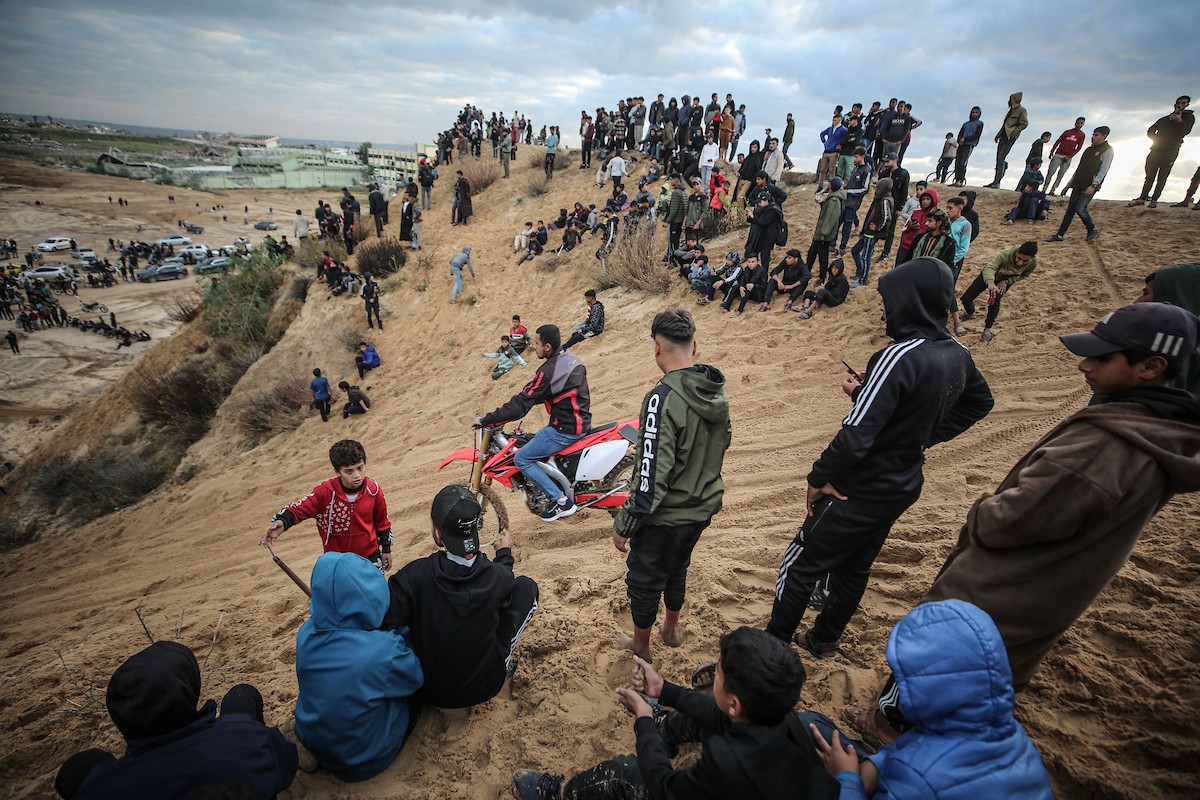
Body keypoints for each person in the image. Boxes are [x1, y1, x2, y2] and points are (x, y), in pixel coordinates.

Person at [766, 257, 994, 656]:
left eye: (888, 299)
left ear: (910, 300)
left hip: (859, 486)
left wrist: (818, 477)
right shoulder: (955, 351)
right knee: (854, 567)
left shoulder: (898, 355)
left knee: (800, 564)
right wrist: (918, 437)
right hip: (902, 482)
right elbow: (979, 402)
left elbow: (855, 436)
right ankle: (823, 639)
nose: (883, 308)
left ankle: (770, 650)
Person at [513, 627, 838, 800]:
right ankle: (664, 727)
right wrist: (663, 691)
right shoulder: (782, 716)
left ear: (736, 703)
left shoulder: (726, 762)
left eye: (720, 673)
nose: (713, 676)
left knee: (626, 773)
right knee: (705, 713)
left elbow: (664, 785)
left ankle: (560, 794)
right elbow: (716, 711)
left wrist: (643, 722)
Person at [819, 601, 1053, 799]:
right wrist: (879, 763)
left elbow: (920, 770)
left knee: (810, 729)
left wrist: (847, 778)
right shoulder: (1015, 739)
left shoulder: (916, 774)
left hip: (914, 780)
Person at [611, 308, 731, 663]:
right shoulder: (716, 391)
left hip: (666, 516)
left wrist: (625, 524)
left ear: (656, 348)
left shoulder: (660, 398)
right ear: (694, 346)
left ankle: (641, 647)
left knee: (644, 580)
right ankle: (671, 628)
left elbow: (649, 475)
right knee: (678, 566)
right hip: (703, 507)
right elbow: (720, 445)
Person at [54, 642, 297, 800]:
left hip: (135, 770)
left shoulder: (100, 790)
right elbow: (287, 762)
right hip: (230, 745)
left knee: (79, 767)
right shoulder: (247, 741)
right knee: (241, 694)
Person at [383, 485, 539, 707]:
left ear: (438, 534)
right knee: (526, 587)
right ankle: (502, 660)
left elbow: (388, 618)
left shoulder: (413, 576)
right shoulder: (496, 576)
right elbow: (505, 576)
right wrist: (504, 552)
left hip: (429, 691)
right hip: (487, 685)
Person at [295, 552, 423, 782]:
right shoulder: (383, 651)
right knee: (414, 697)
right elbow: (414, 677)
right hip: (366, 759)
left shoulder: (305, 634)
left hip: (315, 742)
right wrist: (400, 635)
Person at [474, 325, 591, 521]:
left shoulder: (548, 371)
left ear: (547, 346)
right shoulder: (570, 359)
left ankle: (561, 501)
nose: (533, 346)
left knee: (522, 458)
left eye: (536, 343)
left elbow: (521, 404)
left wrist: (488, 418)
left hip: (565, 429)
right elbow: (552, 392)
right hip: (580, 421)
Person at [260, 438, 391, 567]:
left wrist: (386, 549)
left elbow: (382, 522)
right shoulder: (325, 492)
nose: (357, 475)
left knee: (375, 589)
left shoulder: (373, 490)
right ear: (337, 471)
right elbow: (299, 509)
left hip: (370, 557)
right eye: (349, 471)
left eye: (360, 468)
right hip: (337, 561)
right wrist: (282, 522)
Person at [960, 241, 1039, 343]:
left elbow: (1024, 275)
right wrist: (990, 282)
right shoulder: (1005, 254)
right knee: (967, 298)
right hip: (989, 276)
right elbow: (990, 267)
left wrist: (1007, 281)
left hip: (1005, 281)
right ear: (1017, 251)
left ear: (1032, 258)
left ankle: (987, 330)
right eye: (1019, 258)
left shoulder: (1034, 262)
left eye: (1025, 261)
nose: (1020, 263)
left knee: (994, 303)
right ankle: (970, 314)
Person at [1046, 126, 1113, 243]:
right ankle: (1060, 234)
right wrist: (1068, 185)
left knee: (1080, 208)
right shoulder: (1088, 150)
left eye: (1096, 135)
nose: (1093, 137)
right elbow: (1079, 169)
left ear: (1104, 136)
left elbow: (1104, 170)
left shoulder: (1107, 150)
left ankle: (1092, 229)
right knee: (1070, 210)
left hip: (1090, 185)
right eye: (1093, 134)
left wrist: (1094, 185)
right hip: (1078, 183)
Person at [1129, 96, 1195, 208]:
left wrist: (1179, 121)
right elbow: (1150, 130)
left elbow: (1185, 131)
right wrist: (1157, 139)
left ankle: (1154, 200)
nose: (1180, 105)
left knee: (1162, 176)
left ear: (1187, 105)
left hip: (1171, 151)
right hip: (1156, 150)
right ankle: (1142, 198)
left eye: (1183, 103)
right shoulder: (1165, 119)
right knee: (1149, 175)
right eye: (1178, 103)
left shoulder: (1189, 118)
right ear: (1175, 104)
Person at [850, 176, 892, 287]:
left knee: (865, 257)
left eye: (877, 188)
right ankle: (860, 273)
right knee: (855, 251)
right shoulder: (878, 199)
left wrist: (877, 228)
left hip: (872, 235)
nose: (875, 190)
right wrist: (863, 230)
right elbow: (870, 216)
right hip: (867, 233)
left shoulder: (885, 201)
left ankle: (863, 280)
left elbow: (887, 218)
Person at [808, 177, 844, 285]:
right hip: (821, 233)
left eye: (829, 183)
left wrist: (824, 233)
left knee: (822, 256)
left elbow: (831, 218)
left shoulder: (834, 200)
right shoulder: (832, 198)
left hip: (824, 234)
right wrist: (822, 202)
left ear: (831, 186)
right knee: (812, 253)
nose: (827, 184)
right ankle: (806, 272)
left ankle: (822, 277)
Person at [988, 92, 1029, 188]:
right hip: (1004, 136)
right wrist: (998, 135)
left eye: (1010, 100)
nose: (1008, 102)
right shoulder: (1011, 110)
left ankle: (997, 181)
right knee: (998, 158)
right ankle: (996, 181)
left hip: (1011, 137)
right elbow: (1005, 124)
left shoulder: (1021, 110)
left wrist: (1015, 132)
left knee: (1001, 157)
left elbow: (1024, 123)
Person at [1045, 117, 1087, 196]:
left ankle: (1053, 190)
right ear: (1075, 123)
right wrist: (1052, 151)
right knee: (1051, 172)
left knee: (1061, 174)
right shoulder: (1067, 132)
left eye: (1081, 123)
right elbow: (1058, 141)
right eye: (1078, 123)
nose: (1079, 125)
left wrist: (1070, 156)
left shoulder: (1082, 135)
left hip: (1068, 156)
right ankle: (1044, 188)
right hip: (1059, 153)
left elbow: (1079, 147)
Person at [952, 106, 984, 186]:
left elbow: (976, 136)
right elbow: (960, 133)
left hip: (969, 145)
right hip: (961, 144)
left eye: (976, 113)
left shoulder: (979, 124)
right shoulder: (966, 124)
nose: (974, 114)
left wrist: (965, 139)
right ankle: (956, 180)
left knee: (963, 162)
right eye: (973, 112)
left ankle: (961, 180)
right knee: (957, 162)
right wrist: (960, 140)